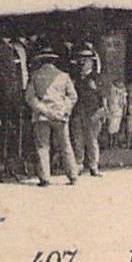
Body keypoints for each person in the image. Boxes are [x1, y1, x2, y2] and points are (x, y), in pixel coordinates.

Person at [24, 50, 77, 186]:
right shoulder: (64, 76)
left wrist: (44, 110)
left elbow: (30, 97)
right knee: (65, 145)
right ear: (54, 61)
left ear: (41, 61)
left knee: (43, 147)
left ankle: (45, 178)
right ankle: (72, 175)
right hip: (60, 116)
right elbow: (73, 97)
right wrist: (64, 110)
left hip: (41, 116)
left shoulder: (35, 76)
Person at [68, 45, 106, 178]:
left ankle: (93, 166)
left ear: (91, 62)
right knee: (78, 139)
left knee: (92, 140)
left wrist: (102, 112)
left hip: (93, 113)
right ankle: (79, 164)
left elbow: (104, 96)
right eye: (80, 60)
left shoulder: (97, 77)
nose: (82, 63)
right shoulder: (75, 78)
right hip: (78, 112)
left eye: (85, 60)